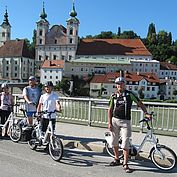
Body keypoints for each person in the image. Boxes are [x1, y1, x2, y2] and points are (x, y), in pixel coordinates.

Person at [108, 76, 151, 173]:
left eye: (122, 83)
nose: (120, 85)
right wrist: (109, 122)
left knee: (125, 143)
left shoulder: (130, 94)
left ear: (124, 84)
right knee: (114, 141)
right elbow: (110, 110)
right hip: (115, 120)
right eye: (118, 84)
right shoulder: (113, 96)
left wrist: (146, 113)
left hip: (125, 122)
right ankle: (116, 158)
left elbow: (140, 103)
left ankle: (126, 163)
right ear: (116, 85)